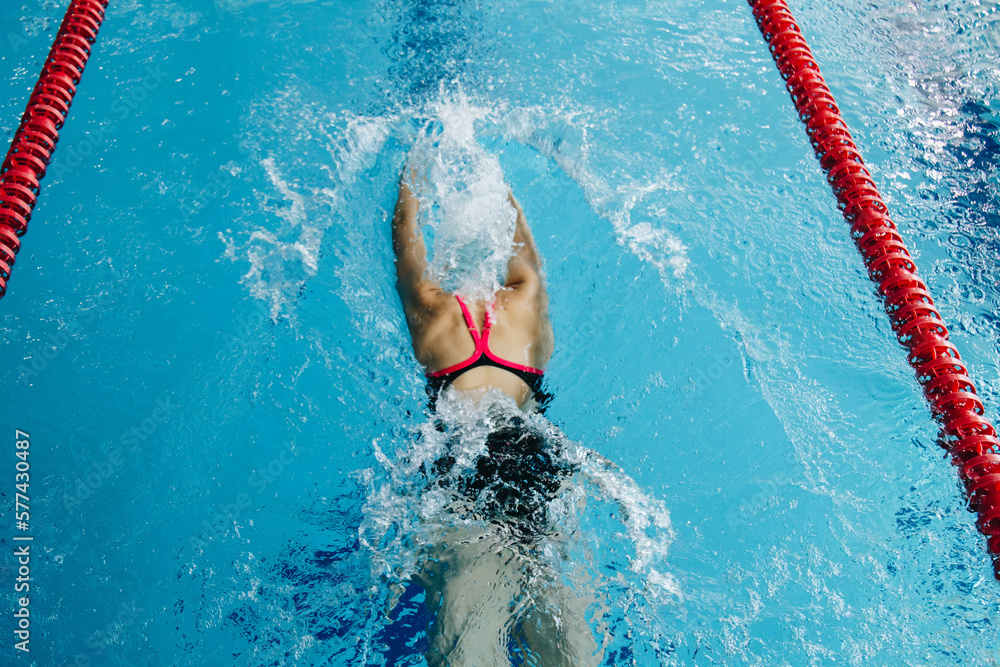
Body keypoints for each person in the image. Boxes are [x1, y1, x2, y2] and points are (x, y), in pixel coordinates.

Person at [391, 169, 604, 666]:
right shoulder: (526, 299)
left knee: (466, 652)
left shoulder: (431, 311)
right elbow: (524, 245)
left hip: (467, 494)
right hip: (543, 480)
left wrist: (412, 177)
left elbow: (406, 247)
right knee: (575, 651)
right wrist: (493, 175)